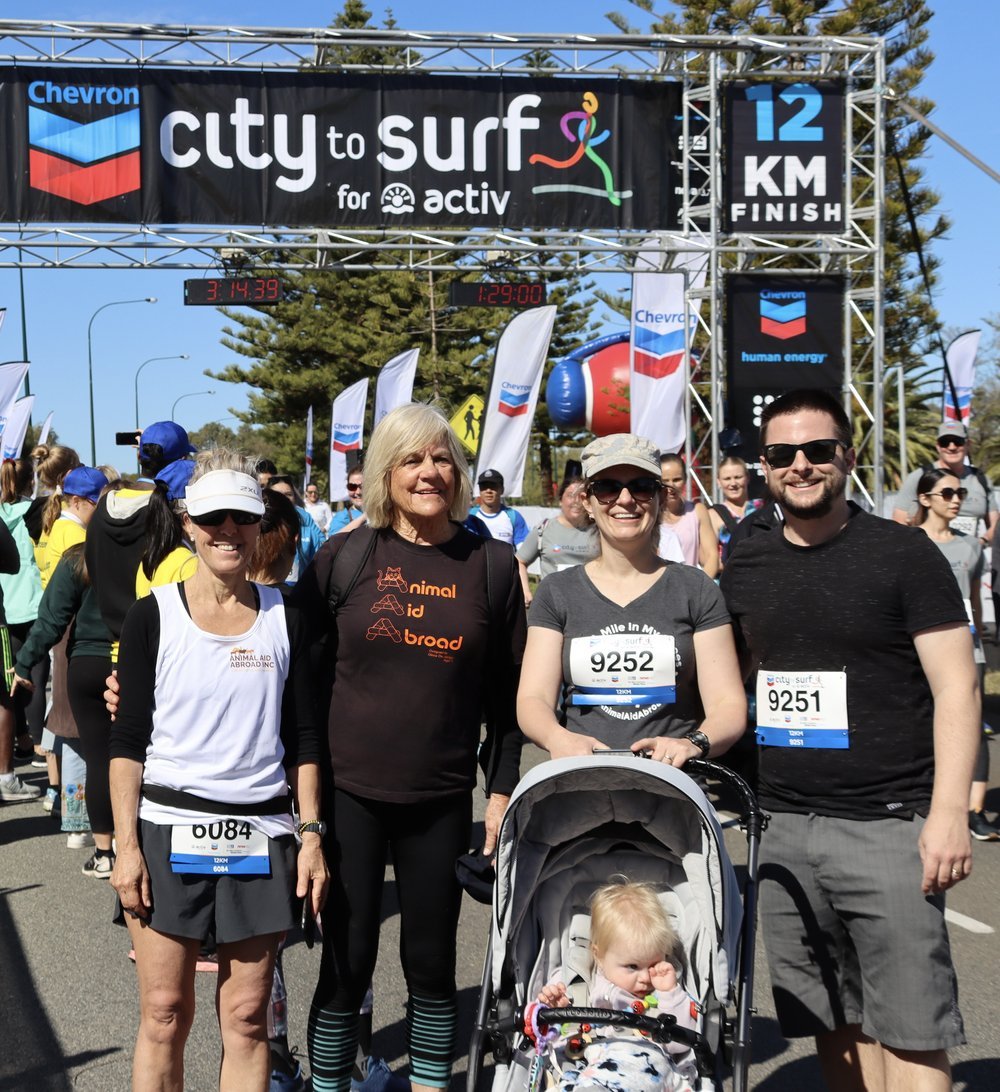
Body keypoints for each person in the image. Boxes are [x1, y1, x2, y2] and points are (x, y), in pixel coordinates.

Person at [720, 389, 978, 1092]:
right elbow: (725, 678)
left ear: (848, 455)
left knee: (912, 1030)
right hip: (782, 826)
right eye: (782, 453)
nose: (800, 465)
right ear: (764, 466)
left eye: (817, 450)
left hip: (889, 825)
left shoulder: (904, 554)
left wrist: (950, 812)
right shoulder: (747, 560)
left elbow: (958, 686)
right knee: (830, 1021)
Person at [295, 403, 526, 1092]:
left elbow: (508, 703)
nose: (430, 473)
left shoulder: (491, 564)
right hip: (350, 797)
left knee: (430, 965)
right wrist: (307, 814)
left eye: (441, 458)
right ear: (384, 473)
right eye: (412, 459)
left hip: (441, 799)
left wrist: (500, 796)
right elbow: (297, 684)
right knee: (346, 963)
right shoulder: (344, 558)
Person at [108, 452, 328, 1090]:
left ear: (260, 525)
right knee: (163, 1012)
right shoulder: (153, 615)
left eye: (242, 517)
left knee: (247, 1016)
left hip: (262, 833)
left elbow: (304, 739)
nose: (227, 530)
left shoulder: (287, 616)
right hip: (167, 828)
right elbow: (128, 741)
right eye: (212, 518)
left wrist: (311, 835)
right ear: (188, 524)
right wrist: (126, 846)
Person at [517, 433, 745, 766]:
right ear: (587, 501)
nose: (625, 500)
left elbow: (728, 704)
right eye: (607, 488)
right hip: (582, 782)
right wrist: (557, 737)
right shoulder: (556, 591)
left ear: (660, 498)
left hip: (673, 786)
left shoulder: (696, 589)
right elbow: (533, 698)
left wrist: (692, 744)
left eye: (641, 486)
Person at [537, 879, 698, 1092]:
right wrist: (553, 1009)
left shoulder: (665, 990)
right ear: (599, 955)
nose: (645, 977)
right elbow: (539, 1033)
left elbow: (680, 1045)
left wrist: (670, 993)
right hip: (579, 1064)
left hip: (642, 1064)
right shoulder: (573, 980)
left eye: (653, 963)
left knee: (643, 1063)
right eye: (632, 966)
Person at [914, 467, 999, 841]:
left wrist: (977, 637)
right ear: (924, 498)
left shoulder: (971, 546)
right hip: (919, 649)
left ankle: (974, 810)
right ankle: (927, 799)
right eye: (947, 493)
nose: (956, 501)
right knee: (922, 721)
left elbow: (976, 601)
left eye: (960, 494)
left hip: (968, 647)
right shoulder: (908, 543)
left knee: (973, 724)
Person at [891, 421, 998, 544]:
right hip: (929, 552)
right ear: (938, 446)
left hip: (969, 554)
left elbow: (995, 526)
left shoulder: (981, 479)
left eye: (958, 441)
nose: (951, 447)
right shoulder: (919, 477)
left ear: (968, 444)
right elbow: (899, 523)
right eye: (945, 442)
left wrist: (980, 543)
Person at [516, 479, 597, 607]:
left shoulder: (600, 531)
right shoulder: (544, 529)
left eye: (581, 496)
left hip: (590, 605)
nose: (576, 501)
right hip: (552, 606)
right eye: (571, 495)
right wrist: (525, 591)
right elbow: (519, 561)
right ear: (560, 500)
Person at [656, 454, 719, 578]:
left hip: (692, 585)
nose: (671, 486)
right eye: (665, 481)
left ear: (685, 479)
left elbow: (712, 556)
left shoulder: (697, 511)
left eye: (677, 479)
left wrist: (700, 586)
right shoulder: (648, 515)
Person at [268, 475, 325, 582]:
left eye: (288, 494)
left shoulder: (303, 516)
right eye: (278, 494)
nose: (284, 499)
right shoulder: (260, 520)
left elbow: (322, 545)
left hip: (298, 586)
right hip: (266, 586)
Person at [707, 456, 761, 566]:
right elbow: (710, 560)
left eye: (738, 477)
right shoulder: (713, 514)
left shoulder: (763, 507)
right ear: (718, 482)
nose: (733, 483)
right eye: (727, 479)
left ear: (747, 477)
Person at [467, 468, 529, 547]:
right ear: (479, 490)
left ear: (502, 490)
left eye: (493, 486)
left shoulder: (514, 517)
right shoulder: (468, 516)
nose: (488, 491)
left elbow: (522, 549)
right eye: (484, 487)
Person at [327, 466, 366, 535]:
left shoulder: (383, 513)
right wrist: (365, 516)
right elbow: (334, 540)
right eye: (352, 487)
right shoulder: (341, 518)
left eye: (362, 486)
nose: (358, 492)